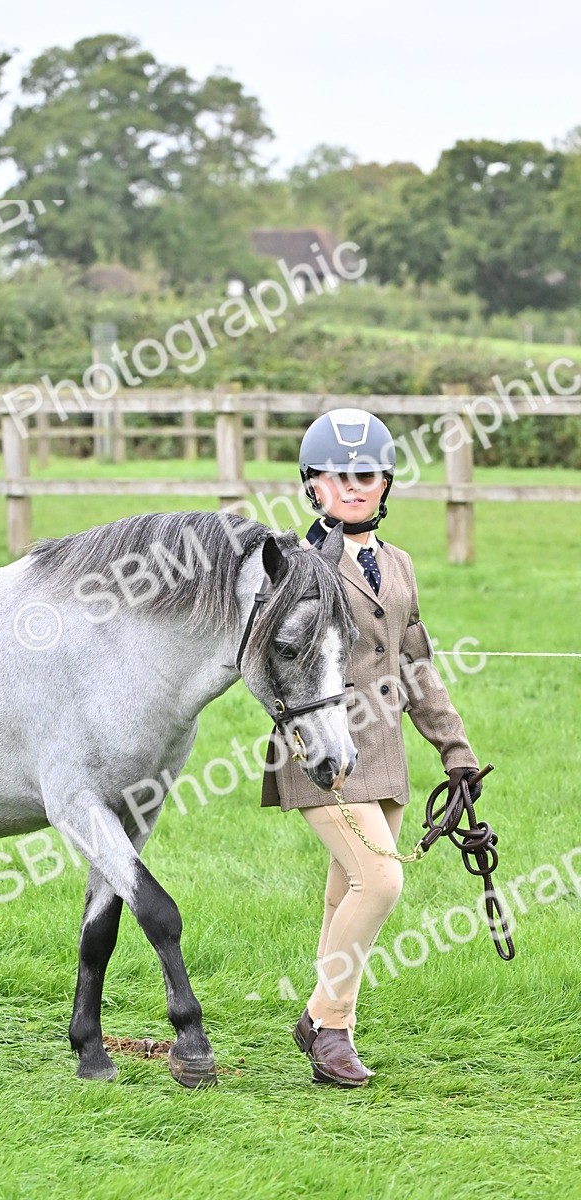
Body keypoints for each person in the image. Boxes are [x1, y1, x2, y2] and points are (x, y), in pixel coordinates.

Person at [261, 407, 481, 1088]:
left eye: (368, 474)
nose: (354, 486)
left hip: (383, 757)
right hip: (319, 751)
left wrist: (456, 752)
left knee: (345, 895)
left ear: (386, 483)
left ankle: (331, 1027)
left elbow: (418, 665)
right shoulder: (295, 565)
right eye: (338, 475)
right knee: (382, 879)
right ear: (312, 484)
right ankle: (326, 1026)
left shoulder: (400, 564)